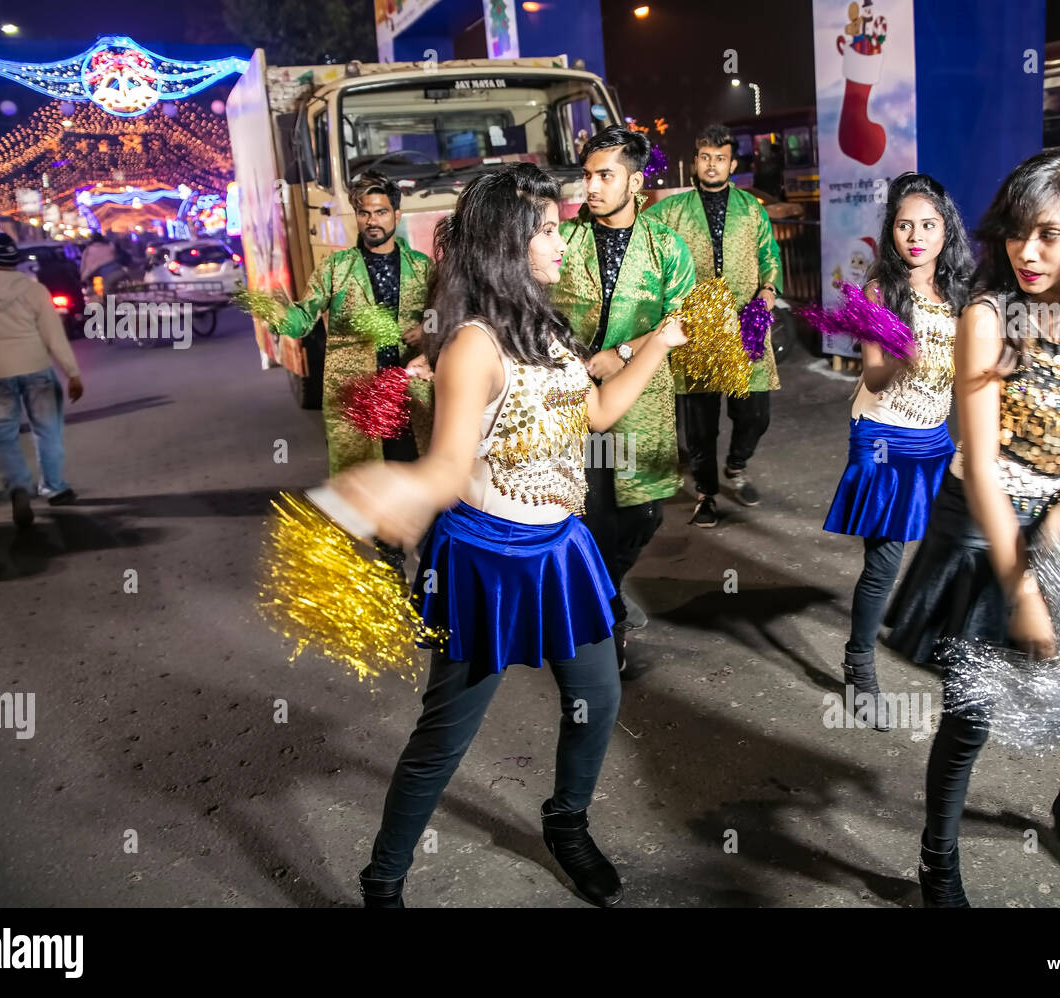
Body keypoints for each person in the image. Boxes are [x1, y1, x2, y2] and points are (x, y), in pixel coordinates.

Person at [323, 163, 687, 908]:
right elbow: (451, 466)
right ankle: (384, 877)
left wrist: (660, 341)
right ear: (507, 243)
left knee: (600, 698)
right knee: (444, 738)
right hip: (487, 560)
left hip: (561, 553)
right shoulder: (473, 347)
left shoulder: (548, 327)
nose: (562, 239)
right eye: (549, 230)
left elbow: (596, 414)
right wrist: (397, 488)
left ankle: (566, 822)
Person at [885, 150, 1060, 907]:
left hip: (1058, 522)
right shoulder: (987, 317)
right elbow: (985, 464)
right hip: (981, 524)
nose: (1028, 252)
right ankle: (938, 862)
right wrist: (1021, 585)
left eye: (1051, 235)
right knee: (974, 709)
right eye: (1019, 233)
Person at [822, 173, 972, 729]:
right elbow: (877, 377)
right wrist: (899, 350)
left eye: (928, 225)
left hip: (935, 436)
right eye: (905, 225)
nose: (915, 235)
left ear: (944, 231)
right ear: (891, 231)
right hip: (884, 436)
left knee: (952, 548)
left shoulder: (959, 293)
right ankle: (859, 669)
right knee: (884, 565)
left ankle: (934, 642)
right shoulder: (881, 292)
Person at [551, 125, 695, 679]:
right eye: (587, 175)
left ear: (635, 182)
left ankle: (605, 587)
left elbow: (685, 316)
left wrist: (627, 350)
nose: (590, 186)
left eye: (604, 175)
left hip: (642, 399)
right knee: (594, 515)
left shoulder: (665, 246)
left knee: (646, 512)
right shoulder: (564, 238)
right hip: (575, 401)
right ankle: (605, 631)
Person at [277, 173, 432, 573]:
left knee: (415, 475)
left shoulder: (421, 267)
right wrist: (275, 311)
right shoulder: (336, 268)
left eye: (380, 211)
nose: (372, 220)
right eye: (364, 213)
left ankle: (428, 563)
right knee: (372, 479)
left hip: (410, 392)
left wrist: (426, 330)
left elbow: (444, 318)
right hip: (362, 396)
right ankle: (390, 565)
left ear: (397, 214)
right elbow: (300, 319)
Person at [644, 123, 784, 526]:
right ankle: (705, 492)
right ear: (696, 160)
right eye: (705, 156)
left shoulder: (751, 209)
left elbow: (768, 254)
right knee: (700, 419)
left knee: (755, 412)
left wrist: (769, 290)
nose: (711, 164)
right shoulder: (673, 209)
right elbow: (636, 222)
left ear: (732, 164)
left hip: (746, 323)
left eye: (719, 158)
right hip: (698, 324)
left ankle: (736, 466)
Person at [0, 233, 84, 528]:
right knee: (48, 430)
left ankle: (19, 485)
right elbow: (53, 335)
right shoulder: (34, 290)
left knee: (1, 436)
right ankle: (55, 488)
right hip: (37, 368)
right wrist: (72, 372)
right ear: (14, 262)